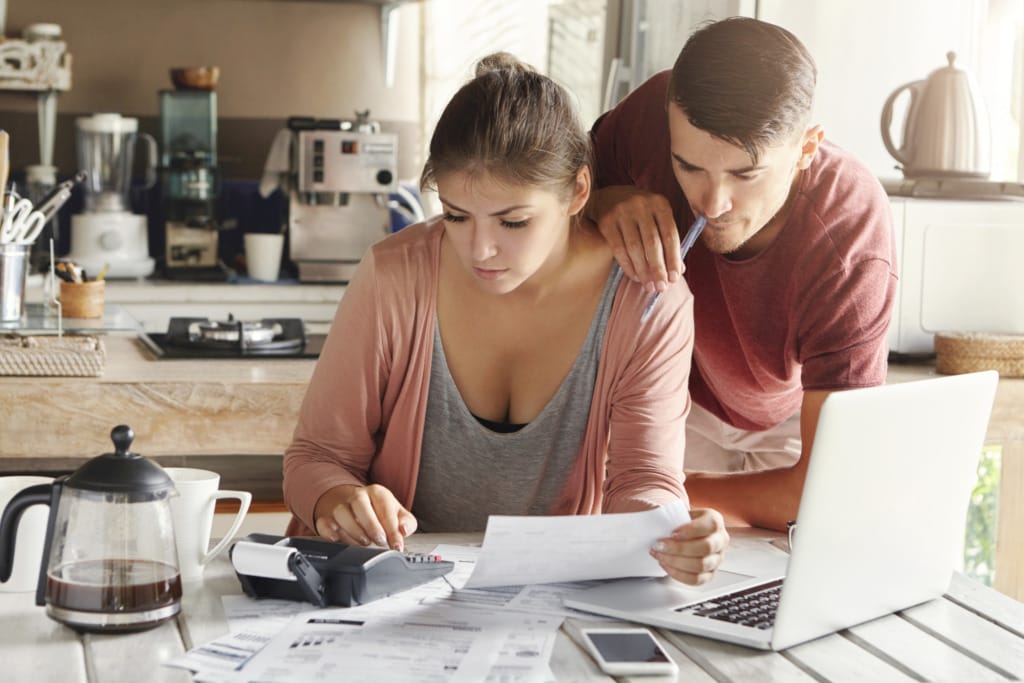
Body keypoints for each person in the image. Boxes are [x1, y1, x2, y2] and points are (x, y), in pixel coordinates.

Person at [283, 53, 729, 585]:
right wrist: (340, 498)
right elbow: (315, 457)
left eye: (513, 221)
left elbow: (644, 477)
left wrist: (669, 535)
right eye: (455, 215)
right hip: (381, 593)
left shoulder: (647, 301)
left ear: (578, 193)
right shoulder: (394, 276)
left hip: (546, 594)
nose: (481, 250)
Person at [586, 17, 898, 530]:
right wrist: (601, 202)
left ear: (806, 148)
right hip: (672, 395)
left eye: (745, 173)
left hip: (790, 425)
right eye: (688, 166)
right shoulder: (652, 112)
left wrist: (660, 489)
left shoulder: (851, 235)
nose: (711, 202)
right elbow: (549, 202)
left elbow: (826, 488)